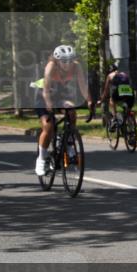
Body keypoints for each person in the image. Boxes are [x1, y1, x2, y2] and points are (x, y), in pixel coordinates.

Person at [33, 45, 91, 176]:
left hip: (59, 94)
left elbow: (83, 85)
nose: (68, 64)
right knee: (49, 127)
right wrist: (49, 104)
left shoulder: (76, 66)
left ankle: (69, 141)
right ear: (57, 60)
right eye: (64, 61)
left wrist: (89, 101)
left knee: (71, 111)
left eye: (70, 60)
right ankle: (41, 159)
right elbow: (46, 91)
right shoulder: (50, 67)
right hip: (43, 96)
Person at [101, 62, 136, 130]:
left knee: (111, 100)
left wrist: (101, 100)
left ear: (110, 70)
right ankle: (132, 122)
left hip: (119, 92)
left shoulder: (110, 75)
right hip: (130, 92)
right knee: (128, 111)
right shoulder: (124, 74)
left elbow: (106, 91)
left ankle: (114, 118)